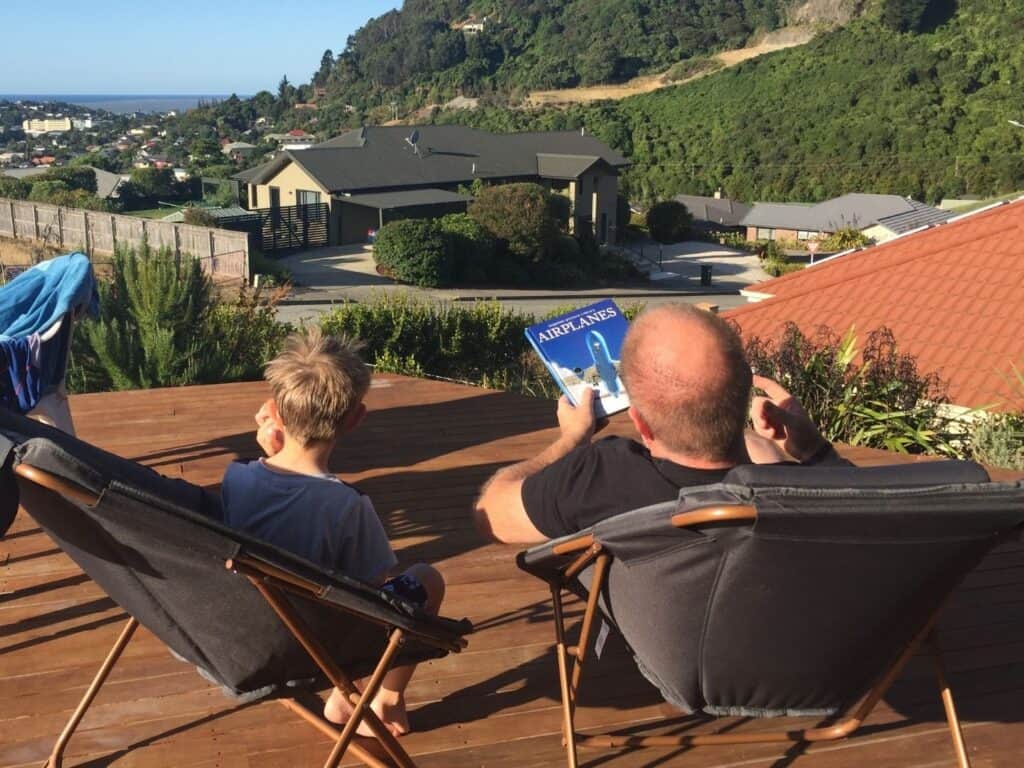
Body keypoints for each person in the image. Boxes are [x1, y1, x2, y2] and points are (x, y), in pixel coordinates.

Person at [221, 327, 444, 737]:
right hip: (321, 649)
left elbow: (278, 489)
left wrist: (270, 451)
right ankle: (384, 697)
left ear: (273, 411)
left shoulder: (236, 478)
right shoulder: (348, 506)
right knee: (426, 580)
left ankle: (349, 693)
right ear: (356, 419)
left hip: (245, 635)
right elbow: (380, 587)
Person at [474, 303, 846, 544]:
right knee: (760, 449)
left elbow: (490, 513)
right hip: (797, 655)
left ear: (642, 425)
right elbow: (881, 510)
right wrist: (814, 451)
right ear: (742, 400)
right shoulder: (801, 497)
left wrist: (574, 437)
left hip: (663, 652)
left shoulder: (602, 476)